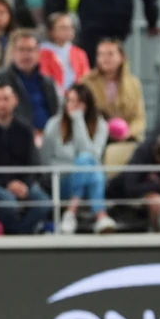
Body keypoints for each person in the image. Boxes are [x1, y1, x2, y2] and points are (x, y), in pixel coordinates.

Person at [0, 82, 51, 234]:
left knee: (44, 203)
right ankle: (17, 235)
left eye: (6, 99)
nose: (2, 104)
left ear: (15, 100)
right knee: (8, 203)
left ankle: (18, 233)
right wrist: (6, 184)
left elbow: (33, 163)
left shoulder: (25, 128)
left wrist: (24, 184)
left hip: (22, 182)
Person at [42, 83, 117, 234]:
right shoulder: (53, 124)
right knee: (90, 168)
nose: (73, 106)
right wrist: (75, 168)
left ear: (88, 105)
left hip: (88, 180)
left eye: (78, 102)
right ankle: (101, 216)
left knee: (87, 162)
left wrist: (78, 121)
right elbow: (45, 161)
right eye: (70, 101)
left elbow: (93, 155)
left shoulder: (100, 125)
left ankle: (70, 212)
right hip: (61, 181)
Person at [105, 133, 160, 232]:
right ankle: (158, 235)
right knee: (156, 201)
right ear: (156, 153)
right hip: (144, 192)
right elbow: (131, 188)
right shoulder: (143, 152)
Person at [0, 29, 60, 133]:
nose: (26, 55)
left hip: (48, 137)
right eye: (21, 50)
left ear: (38, 53)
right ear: (13, 53)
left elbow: (57, 112)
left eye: (30, 50)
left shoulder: (47, 81)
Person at [79, 39, 146, 141]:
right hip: (94, 137)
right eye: (101, 54)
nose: (105, 58)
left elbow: (139, 118)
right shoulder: (86, 83)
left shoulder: (134, 84)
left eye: (110, 54)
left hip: (127, 138)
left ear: (122, 57)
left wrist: (128, 132)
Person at [39, 13, 90, 92]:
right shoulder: (41, 53)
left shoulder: (79, 53)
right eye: (63, 28)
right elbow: (45, 77)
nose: (68, 31)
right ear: (51, 31)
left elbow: (86, 77)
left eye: (70, 27)